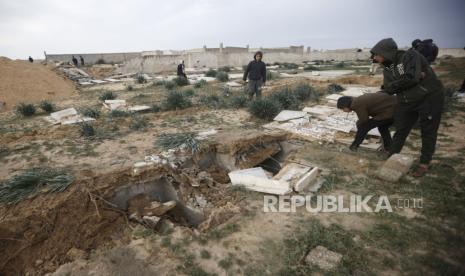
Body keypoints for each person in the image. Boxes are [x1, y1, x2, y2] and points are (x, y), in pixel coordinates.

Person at [371, 38, 445, 177]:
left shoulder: (410, 56)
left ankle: (424, 163)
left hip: (428, 97)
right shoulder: (387, 68)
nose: (375, 58)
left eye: (377, 54)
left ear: (386, 52)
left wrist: (399, 84)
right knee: (401, 129)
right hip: (406, 100)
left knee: (428, 130)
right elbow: (391, 86)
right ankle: (392, 156)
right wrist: (400, 83)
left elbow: (411, 78)